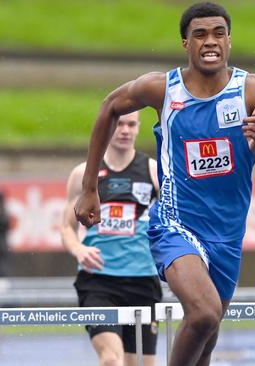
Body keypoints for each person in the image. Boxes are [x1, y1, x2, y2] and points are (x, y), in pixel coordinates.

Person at [74, 2, 255, 365]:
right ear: (185, 43)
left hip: (227, 236)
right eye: (200, 34)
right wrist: (90, 186)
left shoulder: (253, 91)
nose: (210, 41)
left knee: (206, 337)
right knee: (203, 313)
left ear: (229, 41)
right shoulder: (163, 89)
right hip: (175, 223)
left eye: (219, 33)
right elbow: (110, 106)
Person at [61, 110, 161, 366]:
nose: (125, 130)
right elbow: (66, 227)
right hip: (98, 282)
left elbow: (174, 221)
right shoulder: (84, 174)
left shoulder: (152, 171)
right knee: (111, 360)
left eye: (131, 124)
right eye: (119, 124)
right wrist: (78, 250)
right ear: (108, 128)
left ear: (138, 128)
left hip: (142, 281)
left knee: (138, 363)